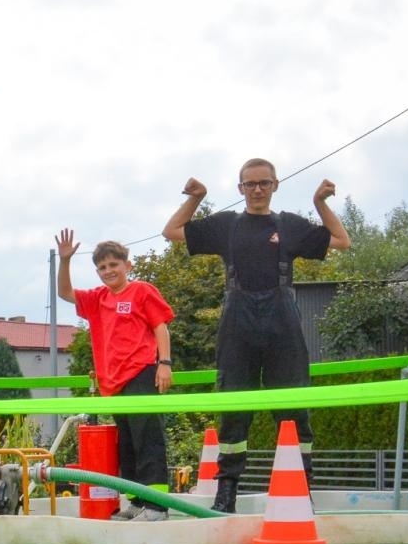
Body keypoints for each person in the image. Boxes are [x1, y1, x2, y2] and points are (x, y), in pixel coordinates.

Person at [163, 159, 349, 513]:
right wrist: (196, 198)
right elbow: (172, 231)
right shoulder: (226, 226)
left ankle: (301, 488)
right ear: (240, 189)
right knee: (234, 405)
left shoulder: (289, 225)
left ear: (276, 185)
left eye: (264, 183)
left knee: (293, 406)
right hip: (238, 322)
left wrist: (320, 203)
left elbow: (342, 240)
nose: (258, 189)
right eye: (250, 184)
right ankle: (227, 491)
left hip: (283, 323)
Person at [54, 231, 176, 521]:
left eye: (114, 265)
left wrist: (165, 362)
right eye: (103, 267)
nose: (109, 271)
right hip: (114, 381)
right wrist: (65, 261)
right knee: (128, 444)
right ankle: (136, 501)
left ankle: (157, 506)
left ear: (127, 266)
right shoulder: (97, 299)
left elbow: (161, 327)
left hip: (142, 372)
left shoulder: (142, 291)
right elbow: (64, 293)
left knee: (148, 440)